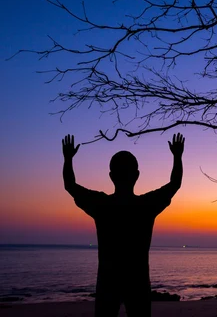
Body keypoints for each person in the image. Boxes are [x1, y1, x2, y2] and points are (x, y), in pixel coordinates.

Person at [62, 133, 185, 317]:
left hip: (108, 280)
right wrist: (177, 156)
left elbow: (70, 185)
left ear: (111, 176)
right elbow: (175, 184)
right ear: (136, 175)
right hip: (138, 280)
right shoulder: (145, 206)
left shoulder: (102, 205)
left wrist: (68, 159)